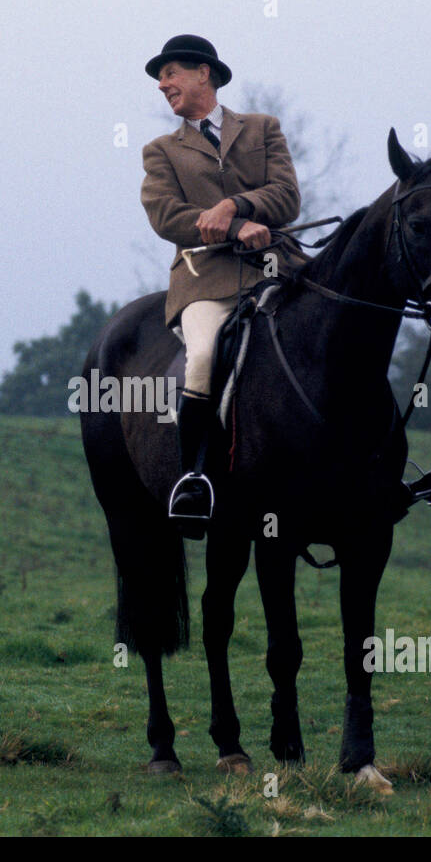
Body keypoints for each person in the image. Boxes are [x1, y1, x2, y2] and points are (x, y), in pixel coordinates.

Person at [141, 34, 309, 535]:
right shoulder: (161, 151)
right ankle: (193, 477)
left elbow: (287, 195)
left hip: (275, 267)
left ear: (203, 74)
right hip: (205, 278)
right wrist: (231, 228)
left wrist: (236, 206)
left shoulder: (263, 128)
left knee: (331, 329)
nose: (163, 86)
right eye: (159, 79)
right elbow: (166, 215)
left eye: (169, 73)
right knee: (203, 355)